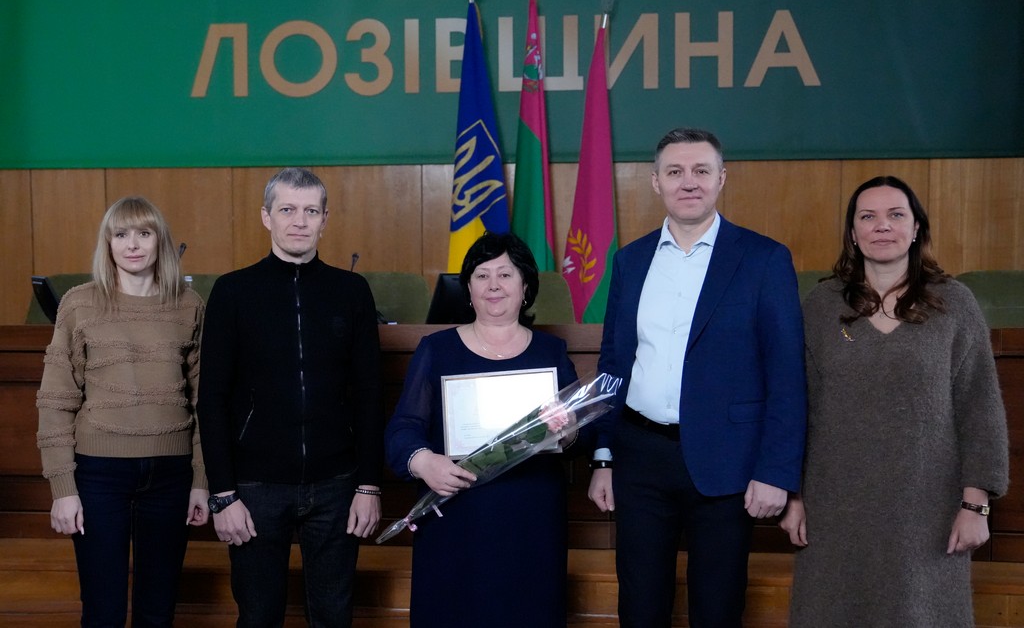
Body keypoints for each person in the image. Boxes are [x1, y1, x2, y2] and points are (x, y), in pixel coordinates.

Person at [587, 127, 807, 627]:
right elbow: (613, 363)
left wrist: (777, 473)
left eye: (701, 171)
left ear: (721, 179)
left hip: (728, 463)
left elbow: (786, 376)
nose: (689, 182)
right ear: (656, 182)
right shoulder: (630, 260)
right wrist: (603, 454)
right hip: (640, 460)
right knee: (640, 608)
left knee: (717, 609)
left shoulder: (764, 259)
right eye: (675, 171)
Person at [780, 176, 1010, 627]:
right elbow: (797, 407)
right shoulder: (822, 305)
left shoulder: (954, 304)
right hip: (835, 507)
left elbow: (981, 409)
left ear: (916, 227)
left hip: (929, 511)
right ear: (852, 232)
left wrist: (975, 505)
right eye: (868, 216)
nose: (881, 226)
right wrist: (793, 496)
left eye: (895, 215)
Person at [197, 167, 384, 627]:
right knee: (258, 617)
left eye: (310, 211)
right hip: (254, 489)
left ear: (325, 219)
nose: (299, 221)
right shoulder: (232, 291)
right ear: (267, 217)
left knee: (334, 617)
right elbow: (211, 398)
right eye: (287, 210)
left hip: (338, 485)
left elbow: (369, 394)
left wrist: (369, 485)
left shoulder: (352, 291)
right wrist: (223, 495)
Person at [385, 232, 580, 628]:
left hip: (531, 521)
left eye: (505, 275)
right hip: (456, 519)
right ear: (469, 289)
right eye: (482, 275)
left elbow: (579, 433)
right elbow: (402, 430)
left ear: (525, 287)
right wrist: (423, 462)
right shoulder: (437, 349)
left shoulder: (551, 352)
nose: (493, 285)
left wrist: (570, 428)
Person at [36, 196, 208, 627]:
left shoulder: (189, 304)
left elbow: (206, 402)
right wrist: (63, 489)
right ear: (107, 243)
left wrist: (201, 481)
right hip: (98, 475)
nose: (133, 245)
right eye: (121, 234)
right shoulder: (79, 304)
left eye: (144, 233)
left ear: (159, 241)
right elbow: (56, 399)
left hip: (171, 475)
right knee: (102, 611)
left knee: (158, 611)